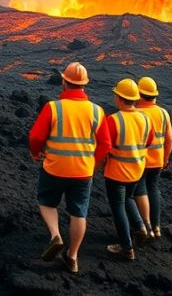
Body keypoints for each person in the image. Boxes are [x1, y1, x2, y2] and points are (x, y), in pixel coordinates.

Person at [28, 62, 111, 273]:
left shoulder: (53, 107)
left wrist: (35, 152)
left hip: (54, 167)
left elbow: (36, 136)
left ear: (64, 82)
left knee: (47, 202)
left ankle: (55, 235)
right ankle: (72, 257)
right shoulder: (97, 111)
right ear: (84, 85)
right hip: (83, 172)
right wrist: (93, 164)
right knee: (78, 213)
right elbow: (106, 144)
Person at [101, 77, 154, 261]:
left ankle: (126, 247)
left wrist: (97, 164)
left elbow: (105, 145)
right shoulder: (145, 119)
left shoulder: (114, 120)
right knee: (129, 198)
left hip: (116, 171)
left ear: (119, 98)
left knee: (118, 207)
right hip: (137, 170)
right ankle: (141, 228)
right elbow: (149, 141)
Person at [127, 76, 172, 241]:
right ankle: (156, 226)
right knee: (153, 189)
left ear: (139, 94)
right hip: (157, 161)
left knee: (138, 192)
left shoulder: (137, 114)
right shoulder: (162, 113)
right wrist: (165, 159)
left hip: (140, 162)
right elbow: (170, 139)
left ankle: (144, 227)